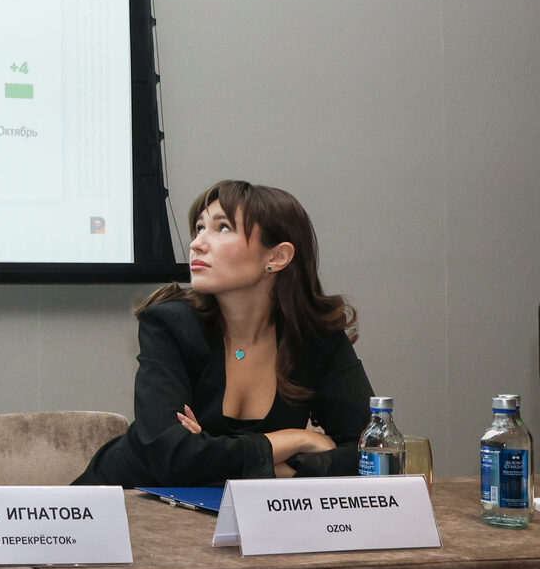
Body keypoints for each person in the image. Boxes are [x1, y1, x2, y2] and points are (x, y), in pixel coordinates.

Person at [76, 179, 373, 488]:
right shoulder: (169, 324)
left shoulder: (316, 337)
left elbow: (372, 451)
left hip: (233, 510)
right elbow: (171, 457)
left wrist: (225, 456)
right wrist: (297, 439)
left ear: (277, 257)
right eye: (199, 228)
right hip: (123, 500)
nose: (196, 244)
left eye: (223, 228)